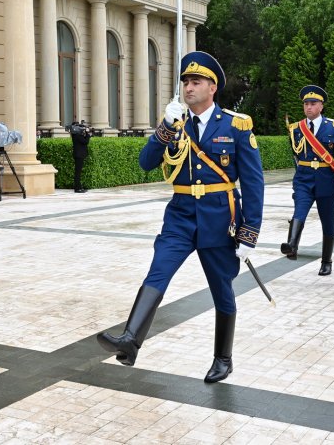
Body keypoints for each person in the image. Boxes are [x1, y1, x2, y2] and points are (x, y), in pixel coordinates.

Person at [96, 51, 263, 384]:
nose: (188, 87)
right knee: (159, 270)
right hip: (181, 217)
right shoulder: (176, 123)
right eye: (185, 81)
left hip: (220, 218)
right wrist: (164, 128)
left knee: (221, 291)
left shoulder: (235, 125)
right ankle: (130, 340)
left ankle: (223, 358)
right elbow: (145, 163)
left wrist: (249, 233)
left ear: (212, 87)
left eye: (195, 81)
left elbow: (254, 182)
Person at [281, 85, 334, 276]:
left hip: (326, 181)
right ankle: (292, 245)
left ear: (321, 106)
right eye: (306, 104)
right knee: (300, 210)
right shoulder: (296, 128)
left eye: (313, 104)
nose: (309, 107)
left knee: (327, 222)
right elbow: (296, 157)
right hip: (304, 180)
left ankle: (327, 261)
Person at [72, 120, 92, 193]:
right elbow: (85, 142)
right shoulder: (77, 135)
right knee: (78, 172)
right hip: (79, 155)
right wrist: (87, 134)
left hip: (78, 155)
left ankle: (79, 187)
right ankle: (77, 188)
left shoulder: (75, 135)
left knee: (78, 172)